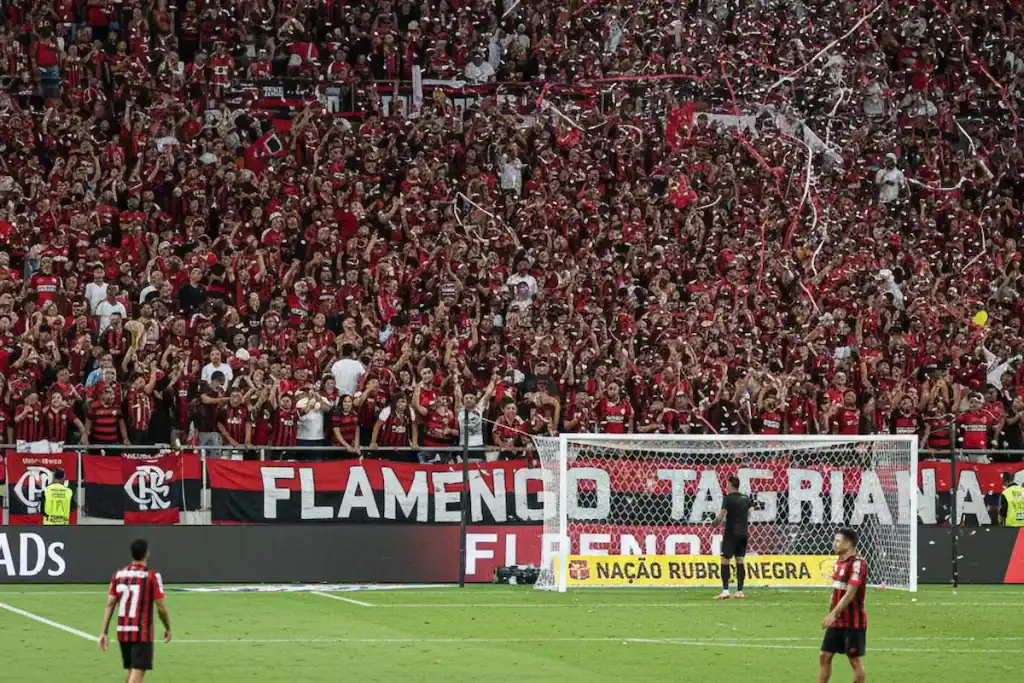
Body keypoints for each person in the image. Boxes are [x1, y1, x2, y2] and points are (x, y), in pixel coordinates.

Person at [100, 539, 171, 683]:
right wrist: (167, 627)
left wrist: (104, 632)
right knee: (137, 672)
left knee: (133, 671)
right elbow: (161, 607)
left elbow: (110, 604)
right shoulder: (152, 576)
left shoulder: (118, 575)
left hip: (123, 631)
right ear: (147, 553)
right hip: (141, 632)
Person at [819, 528, 868, 683]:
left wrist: (833, 614)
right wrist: (830, 613)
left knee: (854, 660)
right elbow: (836, 592)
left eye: (838, 541)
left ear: (847, 543)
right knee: (824, 655)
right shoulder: (839, 562)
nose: (834, 544)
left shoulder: (858, 564)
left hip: (854, 621)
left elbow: (850, 593)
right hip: (838, 620)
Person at [714, 474, 751, 600]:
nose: (726, 486)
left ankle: (725, 591)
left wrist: (715, 522)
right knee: (740, 560)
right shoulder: (746, 498)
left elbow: (723, 514)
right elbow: (750, 511)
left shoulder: (728, 498)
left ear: (730, 484)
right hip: (744, 533)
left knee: (725, 560)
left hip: (731, 532)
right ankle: (740, 591)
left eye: (727, 483)